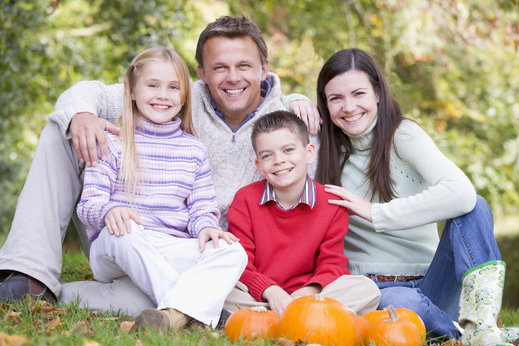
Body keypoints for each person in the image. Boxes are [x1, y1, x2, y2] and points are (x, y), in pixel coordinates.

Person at [0, 15, 319, 314]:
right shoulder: (173, 94)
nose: (233, 77)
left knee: (142, 299)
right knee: (64, 129)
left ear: (264, 69)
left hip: (191, 247)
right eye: (220, 67)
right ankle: (29, 272)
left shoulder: (290, 125)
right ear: (202, 74)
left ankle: (63, 296)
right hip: (119, 229)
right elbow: (89, 93)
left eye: (244, 66)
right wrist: (82, 116)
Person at [315, 48, 519, 346]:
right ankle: (466, 335)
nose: (349, 107)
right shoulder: (320, 146)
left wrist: (377, 213)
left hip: (433, 283)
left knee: (476, 207)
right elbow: (275, 130)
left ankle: (483, 325)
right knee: (401, 302)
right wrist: (293, 101)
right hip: (371, 292)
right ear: (324, 104)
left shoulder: (402, 135)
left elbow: (461, 192)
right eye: (335, 98)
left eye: (358, 93)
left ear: (378, 93)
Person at [77, 46, 247, 330]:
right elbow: (88, 206)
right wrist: (110, 210)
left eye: (173, 87)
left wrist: (206, 227)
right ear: (132, 90)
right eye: (152, 85)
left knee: (232, 251)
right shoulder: (113, 142)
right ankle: (201, 315)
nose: (162, 95)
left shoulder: (193, 150)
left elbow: (201, 208)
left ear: (183, 97)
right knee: (126, 228)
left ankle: (172, 317)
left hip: (168, 247)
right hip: (117, 246)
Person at [224, 110, 380, 316]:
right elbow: (240, 262)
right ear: (259, 166)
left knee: (366, 289)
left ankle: (278, 318)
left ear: (309, 153)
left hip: (310, 295)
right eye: (267, 155)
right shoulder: (245, 199)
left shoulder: (330, 203)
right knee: (221, 286)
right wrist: (271, 291)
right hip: (260, 295)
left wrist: (306, 294)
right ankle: (294, 317)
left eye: (288, 150)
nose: (279, 160)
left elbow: (332, 264)